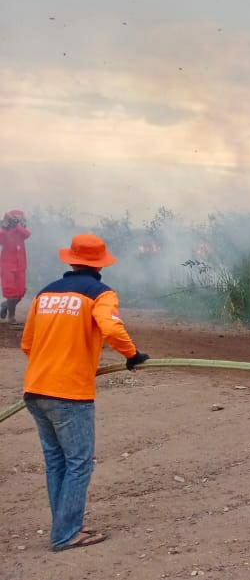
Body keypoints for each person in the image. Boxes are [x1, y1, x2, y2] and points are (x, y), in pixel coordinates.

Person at [21, 234, 150, 551]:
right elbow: (112, 328)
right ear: (101, 265)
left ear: (72, 260)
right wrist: (132, 356)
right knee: (79, 464)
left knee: (57, 464)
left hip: (36, 389)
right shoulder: (100, 293)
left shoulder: (45, 294)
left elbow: (28, 344)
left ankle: (64, 526)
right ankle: (66, 534)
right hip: (69, 395)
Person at [1, 209, 30, 323]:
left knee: (20, 292)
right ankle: (11, 317)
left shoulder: (21, 232)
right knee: (11, 291)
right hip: (7, 266)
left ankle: (5, 305)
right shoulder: (4, 231)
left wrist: (16, 226)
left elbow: (27, 234)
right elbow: (2, 239)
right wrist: (8, 227)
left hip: (21, 266)